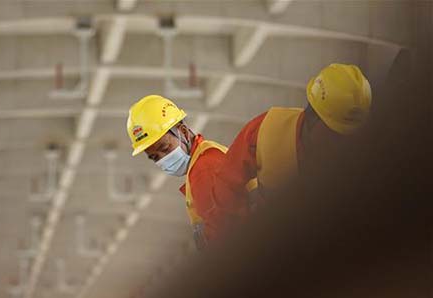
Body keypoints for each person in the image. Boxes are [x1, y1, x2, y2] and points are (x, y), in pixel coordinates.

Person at [212, 63, 372, 216]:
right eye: (336, 133)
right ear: (314, 117)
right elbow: (225, 186)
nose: (344, 144)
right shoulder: (267, 130)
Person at [127, 95, 244, 249]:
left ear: (183, 131)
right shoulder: (205, 158)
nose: (163, 159)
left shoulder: (204, 169)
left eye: (164, 148)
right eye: (155, 157)